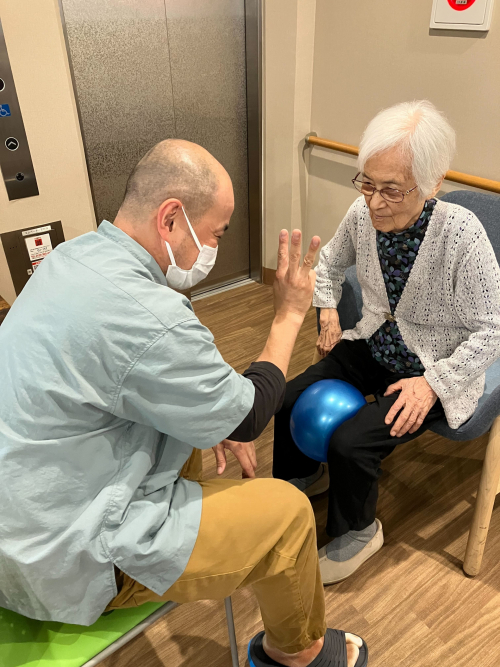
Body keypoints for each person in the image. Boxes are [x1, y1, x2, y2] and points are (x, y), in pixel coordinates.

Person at [0, 140, 368, 667]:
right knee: (288, 515)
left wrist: (209, 416)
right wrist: (290, 314)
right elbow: (250, 415)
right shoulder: (150, 316)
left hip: (19, 519)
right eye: (217, 234)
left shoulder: (71, 257)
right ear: (171, 218)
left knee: (197, 435)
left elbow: (130, 379)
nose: (215, 248)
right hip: (65, 557)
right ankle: (298, 655)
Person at [273, 100, 500, 585]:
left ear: (432, 184)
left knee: (352, 441)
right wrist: (327, 308)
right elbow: (330, 263)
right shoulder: (362, 214)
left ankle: (358, 532)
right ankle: (301, 478)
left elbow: (493, 331)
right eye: (368, 183)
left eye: (392, 190)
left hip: (434, 368)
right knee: (288, 397)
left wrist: (433, 384)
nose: (375, 202)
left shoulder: (462, 235)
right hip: (376, 342)